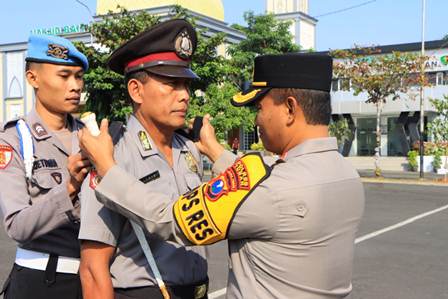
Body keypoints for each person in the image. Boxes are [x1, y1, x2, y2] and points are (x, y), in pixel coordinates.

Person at [79, 53, 365, 298]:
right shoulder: (346, 175)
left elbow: (171, 219)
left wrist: (108, 168)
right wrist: (214, 150)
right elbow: (258, 180)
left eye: (260, 107)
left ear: (290, 108)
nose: (257, 119)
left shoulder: (273, 193)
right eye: (172, 83)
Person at [78, 19, 208, 299]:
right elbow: (92, 268)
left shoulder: (190, 148)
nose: (185, 95)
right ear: (136, 90)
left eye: (186, 84)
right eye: (172, 84)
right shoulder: (112, 155)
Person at [0, 34, 90, 299]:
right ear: (33, 78)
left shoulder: (90, 137)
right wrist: (70, 188)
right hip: (42, 282)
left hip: (95, 279)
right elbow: (17, 226)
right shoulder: (14, 140)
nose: (75, 86)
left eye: (78, 76)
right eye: (64, 76)